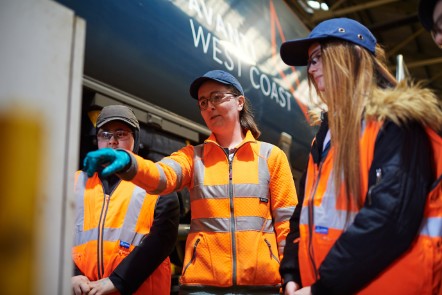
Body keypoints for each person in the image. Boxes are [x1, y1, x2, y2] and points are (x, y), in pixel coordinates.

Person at [82, 70, 298, 294]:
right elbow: (161, 176)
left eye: (216, 97)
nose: (209, 106)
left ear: (240, 102)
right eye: (203, 102)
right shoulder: (193, 157)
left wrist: (289, 277)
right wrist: (129, 162)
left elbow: (287, 225)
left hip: (262, 287)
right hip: (202, 288)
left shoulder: (271, 157)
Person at [279, 17, 442, 294]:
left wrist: (324, 286)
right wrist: (291, 272)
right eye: (310, 61)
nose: (312, 68)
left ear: (353, 56)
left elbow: (390, 218)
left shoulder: (397, 123)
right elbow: (303, 214)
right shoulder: (325, 138)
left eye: (319, 56)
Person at [72, 105, 180, 295]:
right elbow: (51, 232)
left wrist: (117, 281)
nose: (112, 141)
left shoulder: (155, 185)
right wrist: (71, 274)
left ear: (135, 140)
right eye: (105, 134)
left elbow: (163, 240)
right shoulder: (74, 182)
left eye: (120, 134)